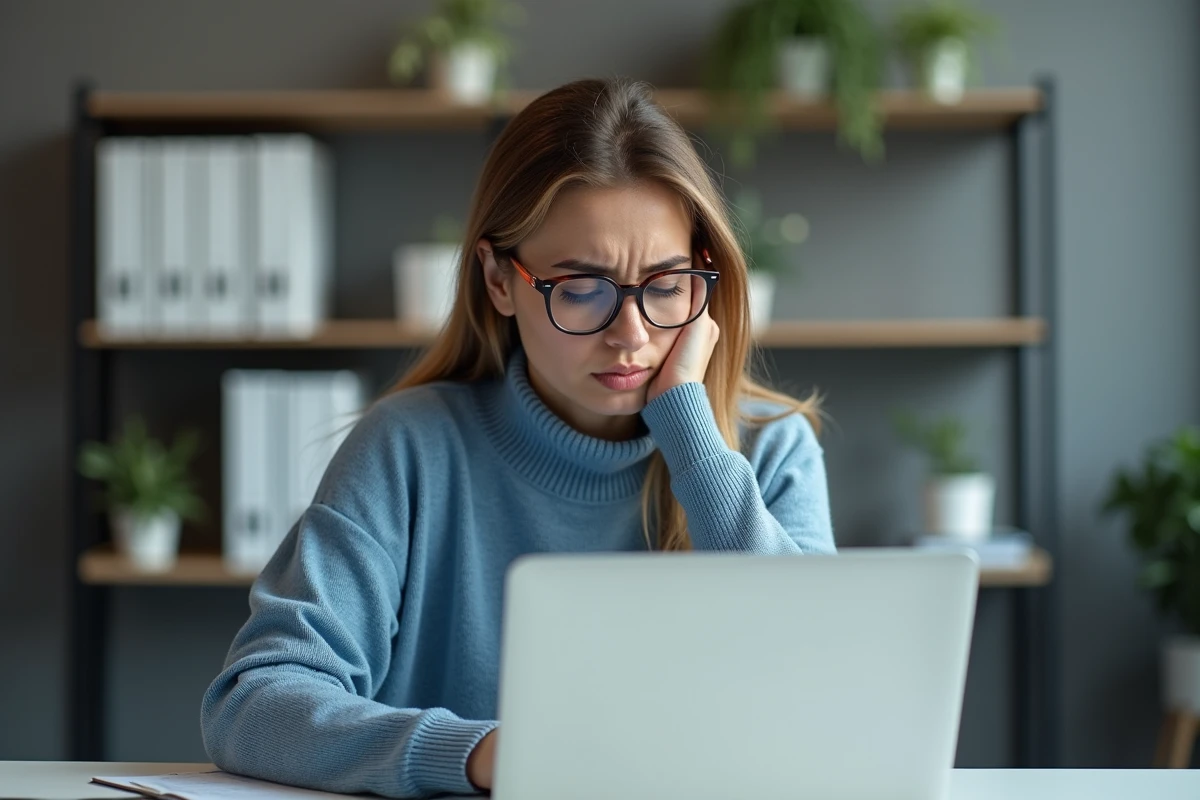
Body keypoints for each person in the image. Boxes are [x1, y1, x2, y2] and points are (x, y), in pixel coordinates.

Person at [200, 77, 836, 799]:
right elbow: (253, 704)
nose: (631, 336)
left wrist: (690, 434)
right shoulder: (408, 448)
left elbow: (821, 688)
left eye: (665, 286)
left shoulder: (770, 449)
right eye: (582, 287)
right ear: (500, 279)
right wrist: (481, 754)